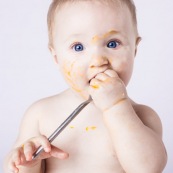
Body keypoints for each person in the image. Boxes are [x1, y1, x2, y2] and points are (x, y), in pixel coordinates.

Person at [3, 0, 167, 172]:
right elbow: (15, 168)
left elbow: (149, 169)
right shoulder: (40, 114)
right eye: (78, 47)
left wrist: (116, 106)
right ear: (56, 57)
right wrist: (29, 162)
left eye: (112, 44)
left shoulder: (144, 117)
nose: (98, 61)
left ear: (134, 49)